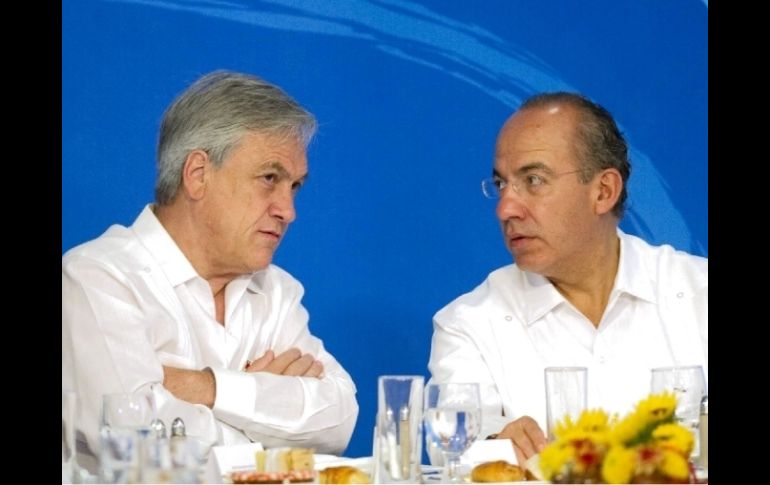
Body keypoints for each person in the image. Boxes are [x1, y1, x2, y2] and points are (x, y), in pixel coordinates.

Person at [62, 71, 359, 470]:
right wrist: (268, 431)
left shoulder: (276, 291)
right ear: (198, 174)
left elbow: (338, 420)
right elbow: (137, 449)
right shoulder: (98, 278)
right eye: (269, 178)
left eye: (294, 187)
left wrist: (206, 386)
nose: (288, 211)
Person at [427, 92, 707, 466]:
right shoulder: (469, 325)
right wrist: (496, 444)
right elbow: (452, 449)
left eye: (534, 180)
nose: (505, 208)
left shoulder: (699, 296)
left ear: (603, 191)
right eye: (502, 184)